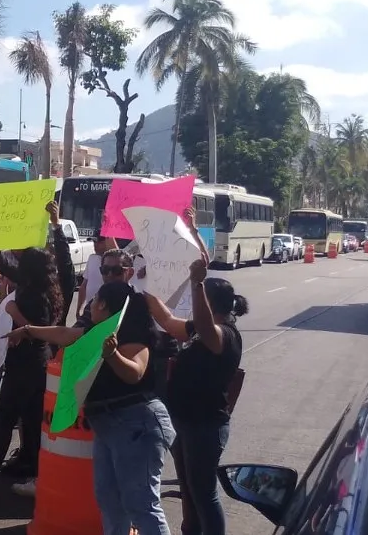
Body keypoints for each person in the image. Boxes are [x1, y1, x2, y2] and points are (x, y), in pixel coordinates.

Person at [5, 281, 175, 534]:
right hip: (107, 425)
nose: (90, 305)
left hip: (135, 424)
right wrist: (27, 330)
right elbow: (62, 334)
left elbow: (134, 372)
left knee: (141, 505)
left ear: (104, 305)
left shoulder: (133, 335)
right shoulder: (95, 333)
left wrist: (112, 354)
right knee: (109, 499)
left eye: (94, 300)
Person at [145, 210, 245, 535]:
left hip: (205, 426)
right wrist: (146, 288)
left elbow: (203, 324)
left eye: (199, 297)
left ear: (212, 303)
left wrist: (197, 283)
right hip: (184, 421)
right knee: (189, 490)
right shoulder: (201, 329)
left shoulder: (224, 335)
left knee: (203, 493)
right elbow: (169, 323)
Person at [0, 246, 61, 499]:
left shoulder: (34, 294)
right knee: (32, 422)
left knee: (5, 420)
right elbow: (4, 264)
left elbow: (40, 327)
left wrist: (14, 311)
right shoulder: (45, 287)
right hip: (37, 364)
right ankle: (38, 478)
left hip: (25, 365)